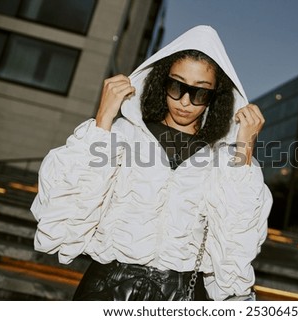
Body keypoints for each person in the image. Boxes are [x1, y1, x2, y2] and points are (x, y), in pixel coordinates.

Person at [31, 25, 273, 301]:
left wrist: (244, 148)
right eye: (176, 86)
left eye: (200, 92)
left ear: (215, 98)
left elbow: (236, 233)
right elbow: (70, 204)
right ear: (161, 81)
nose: (185, 101)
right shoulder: (124, 133)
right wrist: (103, 120)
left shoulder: (222, 159)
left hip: (182, 293)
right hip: (106, 286)